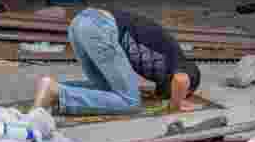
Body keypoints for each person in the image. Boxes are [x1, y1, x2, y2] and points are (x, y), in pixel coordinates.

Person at [33, 8, 201, 115]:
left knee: (107, 90)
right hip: (101, 28)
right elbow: (181, 80)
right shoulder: (182, 63)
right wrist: (176, 104)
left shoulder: (165, 67)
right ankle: (59, 92)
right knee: (131, 102)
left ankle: (50, 87)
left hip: (82, 22)